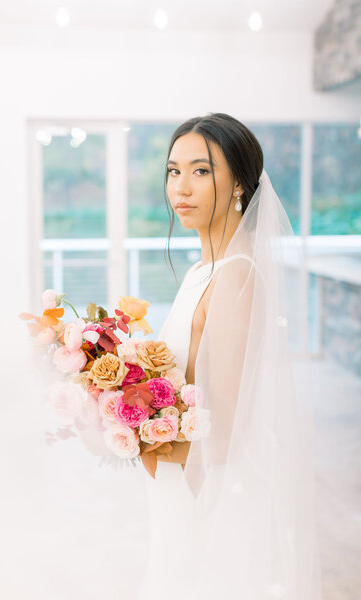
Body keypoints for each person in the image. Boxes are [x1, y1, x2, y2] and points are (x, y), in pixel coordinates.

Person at [139, 113, 322, 600]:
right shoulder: (206, 268)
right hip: (182, 480)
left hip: (210, 494)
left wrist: (138, 436)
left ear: (239, 181)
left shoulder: (236, 275)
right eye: (173, 171)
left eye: (201, 171)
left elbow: (222, 432)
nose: (182, 186)